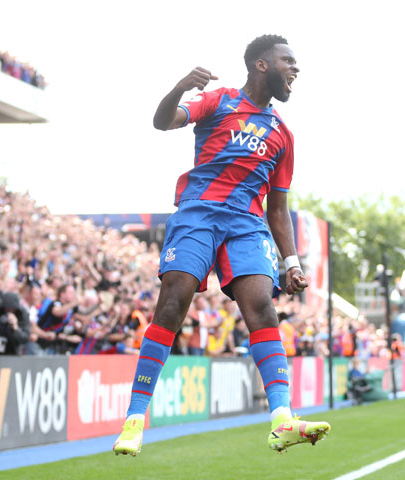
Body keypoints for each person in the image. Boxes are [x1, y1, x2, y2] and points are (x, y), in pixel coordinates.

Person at [113, 35, 330, 457]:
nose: (295, 68)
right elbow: (163, 122)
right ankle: (135, 419)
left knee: (263, 307)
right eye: (288, 60)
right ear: (261, 65)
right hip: (199, 213)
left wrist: (291, 261)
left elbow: (279, 207)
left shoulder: (283, 135)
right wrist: (179, 86)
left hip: (247, 226)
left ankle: (283, 419)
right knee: (174, 300)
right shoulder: (220, 100)